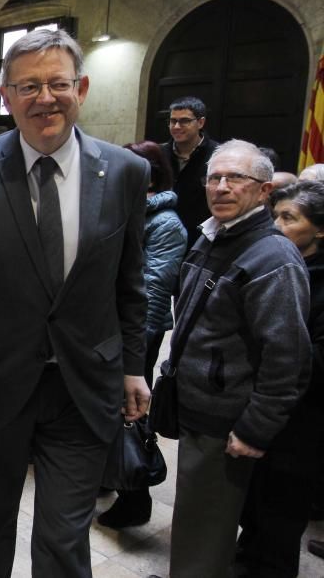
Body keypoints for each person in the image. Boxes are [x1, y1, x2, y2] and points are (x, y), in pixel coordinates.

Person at [0, 29, 150, 577]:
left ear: (82, 88)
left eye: (57, 83)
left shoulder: (124, 172)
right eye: (28, 86)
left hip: (83, 386)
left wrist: (134, 367)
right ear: (6, 96)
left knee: (63, 535)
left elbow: (130, 281)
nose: (44, 98)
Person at [168, 140, 310, 577]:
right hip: (199, 407)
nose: (221, 187)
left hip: (226, 418)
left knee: (204, 530)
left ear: (265, 191)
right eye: (214, 177)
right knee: (195, 519)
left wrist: (255, 428)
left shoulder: (272, 257)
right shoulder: (214, 235)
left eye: (236, 179)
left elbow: (288, 358)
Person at [232, 180, 324, 575]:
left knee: (279, 516)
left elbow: (309, 358)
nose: (278, 225)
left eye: (290, 217)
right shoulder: (273, 264)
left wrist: (274, 351)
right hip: (257, 405)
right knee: (252, 508)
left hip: (301, 418)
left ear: (319, 228)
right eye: (274, 216)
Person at [97, 140, 187, 529]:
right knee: (108, 411)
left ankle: (136, 495)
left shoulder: (165, 223)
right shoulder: (125, 208)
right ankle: (108, 475)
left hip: (134, 337)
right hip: (107, 333)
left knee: (130, 412)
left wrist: (133, 354)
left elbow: (150, 290)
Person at [160, 96, 218, 248]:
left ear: (200, 122)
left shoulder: (218, 155)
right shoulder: (159, 154)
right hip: (162, 238)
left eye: (184, 121)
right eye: (173, 121)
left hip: (200, 239)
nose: (177, 126)